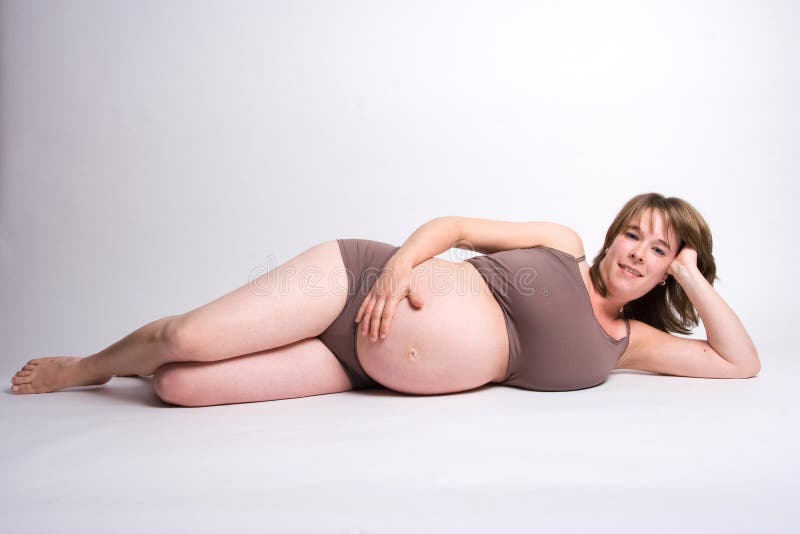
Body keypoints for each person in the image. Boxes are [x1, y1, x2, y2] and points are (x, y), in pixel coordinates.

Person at [11, 192, 760, 405]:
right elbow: (457, 225)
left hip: (355, 370)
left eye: (658, 249)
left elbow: (739, 364)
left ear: (669, 271)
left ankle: (141, 369)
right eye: (633, 234)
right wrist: (402, 268)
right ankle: (89, 367)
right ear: (609, 235)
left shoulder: (626, 345)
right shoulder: (561, 246)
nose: (635, 251)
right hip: (356, 280)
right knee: (186, 338)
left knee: (179, 388)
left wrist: (695, 275)